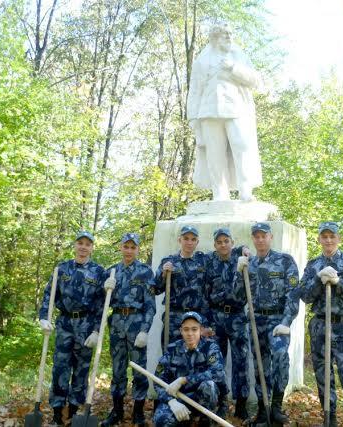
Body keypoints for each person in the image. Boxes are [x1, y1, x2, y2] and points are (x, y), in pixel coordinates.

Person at [299, 222, 343, 427]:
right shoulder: (313, 265)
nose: (328, 240)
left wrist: (339, 282)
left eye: (332, 236)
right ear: (319, 239)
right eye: (324, 236)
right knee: (323, 376)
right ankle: (329, 419)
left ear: (339, 239)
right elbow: (304, 295)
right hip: (320, 326)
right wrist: (318, 281)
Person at [38, 231, 109, 425]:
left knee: (81, 370)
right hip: (65, 324)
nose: (83, 247)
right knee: (60, 368)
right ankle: (57, 413)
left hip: (86, 325)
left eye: (87, 244)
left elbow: (101, 304)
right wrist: (44, 318)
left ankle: (74, 413)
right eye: (80, 243)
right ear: (75, 245)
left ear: (92, 247)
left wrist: (96, 331)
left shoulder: (99, 272)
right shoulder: (61, 269)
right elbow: (48, 295)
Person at [187, 22, 262, 201]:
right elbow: (195, 91)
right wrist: (192, 119)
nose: (229, 37)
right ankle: (220, 193)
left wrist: (233, 68)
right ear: (214, 38)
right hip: (208, 112)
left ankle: (245, 189)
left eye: (230, 33)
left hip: (236, 109)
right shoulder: (202, 61)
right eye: (224, 34)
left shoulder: (238, 56)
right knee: (214, 153)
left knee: (241, 145)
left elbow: (255, 80)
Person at [236, 222, 300, 425]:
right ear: (253, 239)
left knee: (280, 358)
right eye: (256, 236)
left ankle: (277, 407)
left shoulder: (285, 261)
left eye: (264, 236)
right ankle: (264, 409)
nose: (260, 239)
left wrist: (287, 321)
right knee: (259, 366)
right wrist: (240, 272)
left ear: (270, 237)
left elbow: (293, 294)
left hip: (278, 322)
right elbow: (239, 296)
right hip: (256, 321)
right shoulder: (250, 264)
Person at [101, 233, 156, 427]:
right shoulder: (112, 271)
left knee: (139, 371)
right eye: (126, 246)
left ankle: (138, 413)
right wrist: (104, 288)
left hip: (136, 323)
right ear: (121, 248)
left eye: (133, 247)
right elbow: (101, 303)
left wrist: (145, 330)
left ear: (138, 249)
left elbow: (150, 305)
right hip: (116, 323)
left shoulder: (145, 272)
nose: (129, 250)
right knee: (117, 370)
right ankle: (117, 411)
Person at [204, 227, 251, 420]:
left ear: (232, 242)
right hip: (216, 318)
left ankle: (241, 404)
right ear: (215, 245)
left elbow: (246, 250)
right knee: (217, 362)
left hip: (238, 317)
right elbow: (205, 295)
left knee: (241, 361)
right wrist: (206, 323)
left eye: (226, 241)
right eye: (219, 242)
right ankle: (221, 402)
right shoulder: (209, 261)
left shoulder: (240, 256)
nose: (223, 245)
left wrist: (246, 249)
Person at [153, 311, 226, 427]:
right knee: (161, 421)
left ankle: (205, 421)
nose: (190, 333)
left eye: (194, 329)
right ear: (181, 331)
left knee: (209, 386)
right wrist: (171, 402)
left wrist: (184, 379)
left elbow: (218, 373)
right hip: (180, 397)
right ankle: (185, 419)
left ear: (201, 331)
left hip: (201, 398)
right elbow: (158, 381)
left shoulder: (210, 347)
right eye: (186, 329)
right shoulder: (172, 350)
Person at [153, 225, 210, 345]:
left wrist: (243, 249)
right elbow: (156, 289)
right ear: (180, 240)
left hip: (197, 318)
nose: (189, 242)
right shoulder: (169, 261)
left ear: (197, 242)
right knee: (171, 355)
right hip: (174, 317)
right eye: (186, 238)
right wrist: (163, 274)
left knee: (196, 357)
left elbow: (223, 252)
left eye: (193, 239)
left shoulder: (204, 260)